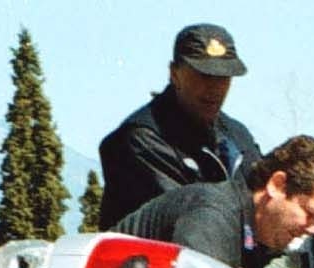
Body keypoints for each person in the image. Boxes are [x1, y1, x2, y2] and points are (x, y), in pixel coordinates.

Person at [98, 23, 265, 228]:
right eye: (204, 75)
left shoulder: (237, 137)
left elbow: (266, 202)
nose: (213, 87)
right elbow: (193, 219)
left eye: (223, 77)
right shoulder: (143, 139)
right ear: (174, 73)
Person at [115, 135, 314, 268]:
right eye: (309, 213)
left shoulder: (248, 236)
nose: (312, 229)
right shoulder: (214, 214)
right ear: (277, 185)